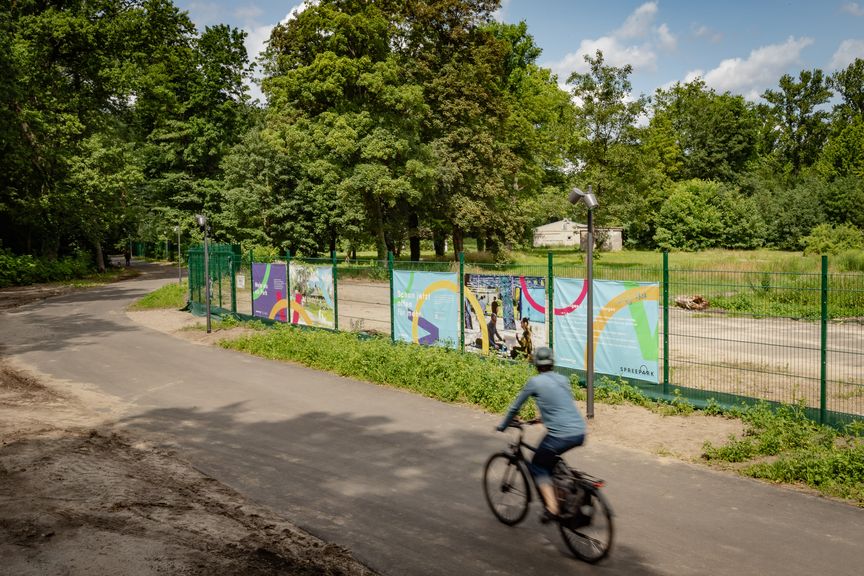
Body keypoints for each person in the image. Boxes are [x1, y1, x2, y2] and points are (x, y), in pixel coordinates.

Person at [497, 347, 586, 521]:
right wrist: (541, 419)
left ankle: (552, 508)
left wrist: (503, 425)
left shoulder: (535, 382)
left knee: (538, 464)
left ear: (537, 365)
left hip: (560, 435)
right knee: (552, 462)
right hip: (579, 432)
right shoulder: (563, 379)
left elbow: (515, 407)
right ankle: (566, 491)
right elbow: (561, 405)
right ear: (552, 363)